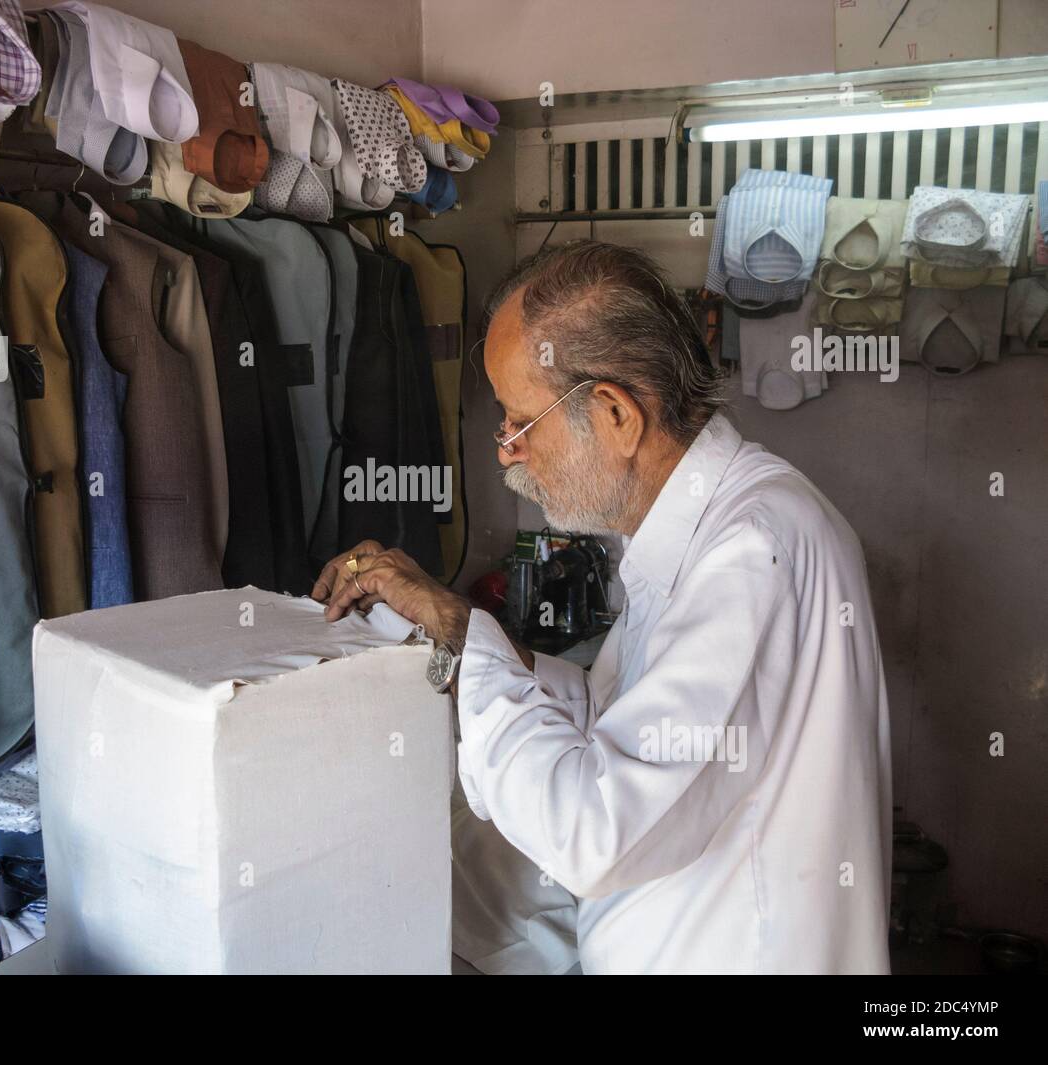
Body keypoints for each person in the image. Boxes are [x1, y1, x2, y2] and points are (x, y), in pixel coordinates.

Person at [311, 240, 892, 974]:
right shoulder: (701, 529)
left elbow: (595, 827)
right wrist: (454, 627)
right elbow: (615, 719)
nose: (507, 453)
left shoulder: (751, 552)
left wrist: (477, 653)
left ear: (615, 413)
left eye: (521, 421)